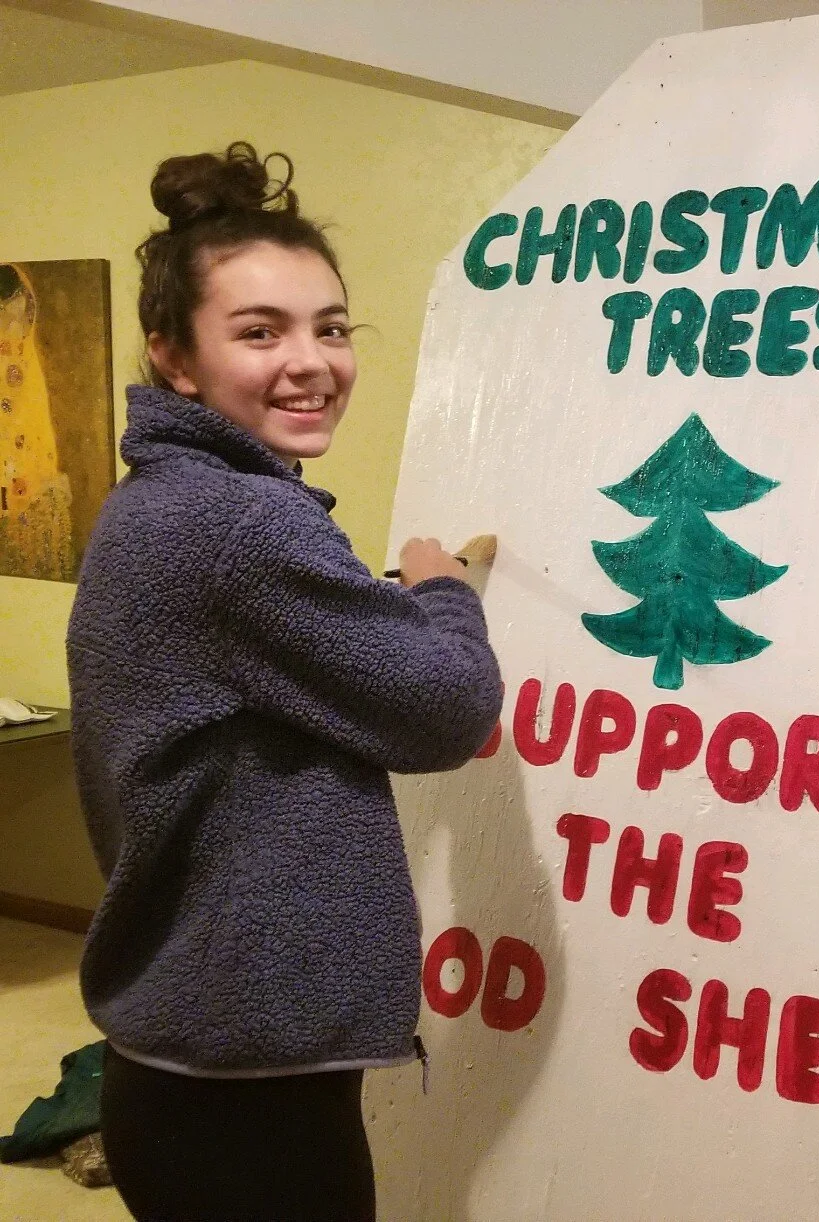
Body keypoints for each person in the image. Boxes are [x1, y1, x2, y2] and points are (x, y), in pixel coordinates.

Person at [67, 142, 503, 1222]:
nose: (311, 362)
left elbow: (293, 668)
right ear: (174, 355)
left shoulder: (159, 502)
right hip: (239, 1092)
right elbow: (448, 708)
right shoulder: (234, 521)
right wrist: (441, 590)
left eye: (330, 326)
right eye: (259, 332)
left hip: (190, 1055)